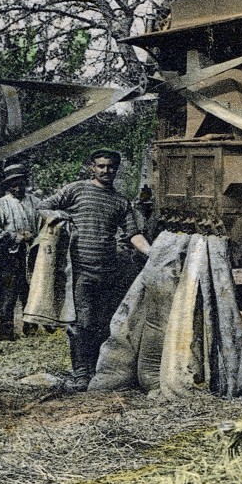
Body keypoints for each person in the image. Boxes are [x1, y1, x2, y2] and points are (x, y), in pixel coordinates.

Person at [41, 148, 151, 391]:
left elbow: (134, 234)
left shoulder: (121, 201)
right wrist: (61, 217)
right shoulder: (76, 190)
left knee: (104, 323)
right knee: (82, 322)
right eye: (101, 166)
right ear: (92, 167)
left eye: (110, 167)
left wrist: (153, 254)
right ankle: (81, 374)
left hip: (109, 270)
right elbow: (44, 207)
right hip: (80, 270)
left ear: (116, 169)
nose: (106, 171)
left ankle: (98, 373)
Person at [0, 164, 42, 341]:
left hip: (31, 254)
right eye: (13, 184)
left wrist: (35, 236)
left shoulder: (35, 202)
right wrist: (13, 236)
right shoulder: (0, 204)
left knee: (31, 292)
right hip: (9, 256)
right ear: (7, 186)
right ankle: (6, 334)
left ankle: (31, 329)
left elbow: (44, 223)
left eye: (20, 183)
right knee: (8, 295)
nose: (17, 188)